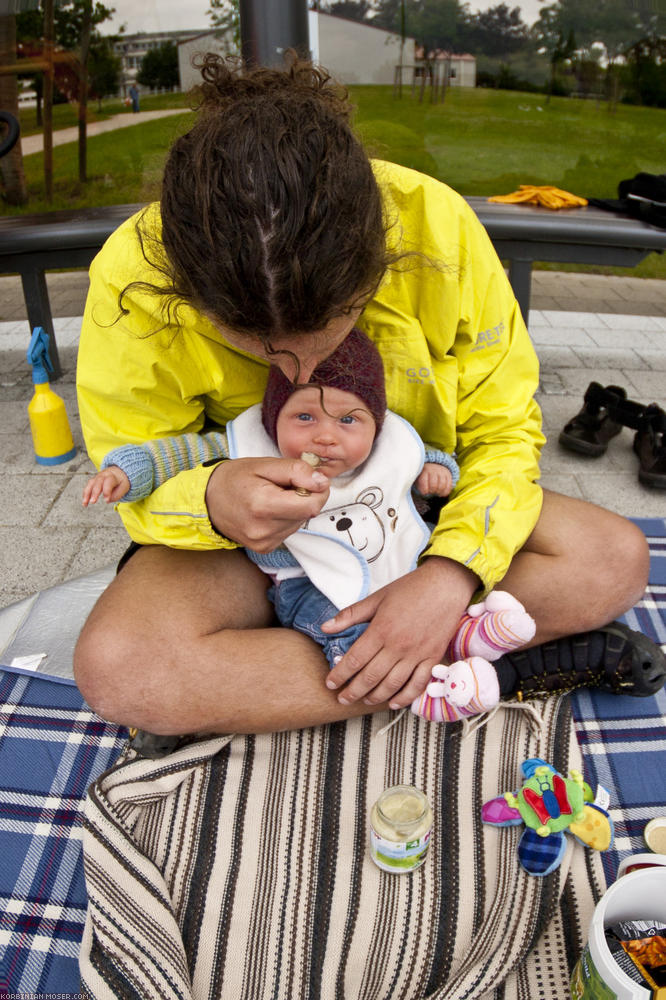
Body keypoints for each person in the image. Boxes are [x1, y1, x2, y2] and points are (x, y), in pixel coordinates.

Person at [74, 54, 665, 746]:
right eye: (256, 346)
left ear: (380, 262)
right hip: (261, 553)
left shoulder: (437, 228)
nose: (299, 371)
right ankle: (486, 670)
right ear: (185, 287)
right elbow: (130, 463)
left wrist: (449, 574)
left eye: (328, 332)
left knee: (614, 561)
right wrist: (210, 499)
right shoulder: (130, 274)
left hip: (417, 507)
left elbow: (503, 435)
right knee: (121, 669)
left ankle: (310, 673)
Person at [81, 328, 536, 723]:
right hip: (303, 582)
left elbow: (427, 457)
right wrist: (125, 471)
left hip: (399, 566)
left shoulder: (390, 446)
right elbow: (172, 454)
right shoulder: (249, 444)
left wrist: (438, 472)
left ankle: (462, 633)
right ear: (272, 419)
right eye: (304, 417)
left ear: (375, 427)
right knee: (340, 628)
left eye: (347, 420)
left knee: (424, 597)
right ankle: (426, 690)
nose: (325, 435)